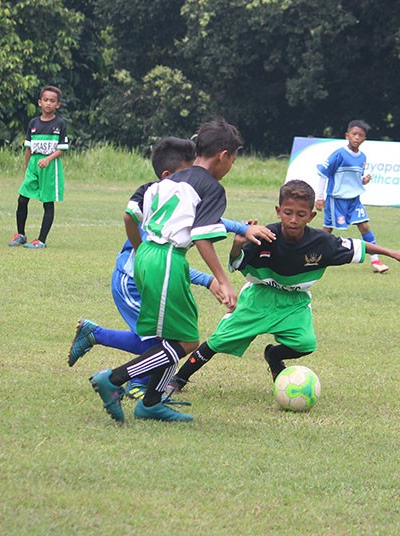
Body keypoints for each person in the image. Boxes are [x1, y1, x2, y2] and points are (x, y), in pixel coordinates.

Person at [67, 137, 273, 398]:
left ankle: (145, 391)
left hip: (150, 272)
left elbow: (202, 222)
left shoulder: (168, 198)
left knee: (171, 338)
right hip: (130, 281)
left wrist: (241, 228)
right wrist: (213, 279)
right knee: (165, 343)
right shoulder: (161, 212)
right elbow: (168, 256)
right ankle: (133, 381)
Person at [166, 179, 400, 394]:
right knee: (219, 341)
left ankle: (274, 355)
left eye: (301, 214)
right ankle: (179, 379)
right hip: (259, 299)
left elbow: (357, 246)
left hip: (294, 302)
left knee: (305, 343)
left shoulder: (322, 242)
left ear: (311, 216)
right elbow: (236, 264)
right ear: (278, 211)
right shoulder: (264, 236)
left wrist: (393, 253)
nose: (293, 220)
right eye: (288, 212)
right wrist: (238, 244)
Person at [87, 119, 244, 423]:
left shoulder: (164, 181)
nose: (230, 167)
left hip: (148, 255)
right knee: (186, 342)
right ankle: (114, 379)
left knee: (171, 337)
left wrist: (140, 250)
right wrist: (223, 281)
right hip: (169, 258)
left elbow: (130, 215)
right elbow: (202, 237)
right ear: (223, 155)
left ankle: (151, 403)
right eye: (233, 161)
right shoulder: (211, 187)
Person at [314, 119, 390, 274]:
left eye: (360, 135)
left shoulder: (362, 157)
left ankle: (375, 260)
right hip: (336, 199)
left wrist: (363, 180)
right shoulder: (339, 154)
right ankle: (312, 253)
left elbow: (354, 179)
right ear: (347, 135)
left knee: (364, 226)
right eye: (354, 134)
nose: (357, 137)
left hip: (354, 200)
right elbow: (323, 174)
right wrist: (319, 197)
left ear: (364, 139)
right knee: (328, 229)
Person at [8, 85, 68, 249]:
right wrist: (27, 167)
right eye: (45, 100)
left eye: (52, 101)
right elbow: (28, 147)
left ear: (57, 105)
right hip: (34, 165)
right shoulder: (33, 123)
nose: (48, 103)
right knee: (22, 198)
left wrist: (48, 159)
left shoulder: (60, 124)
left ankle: (41, 241)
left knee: (47, 203)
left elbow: (62, 148)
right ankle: (21, 235)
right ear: (39, 102)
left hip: (50, 166)